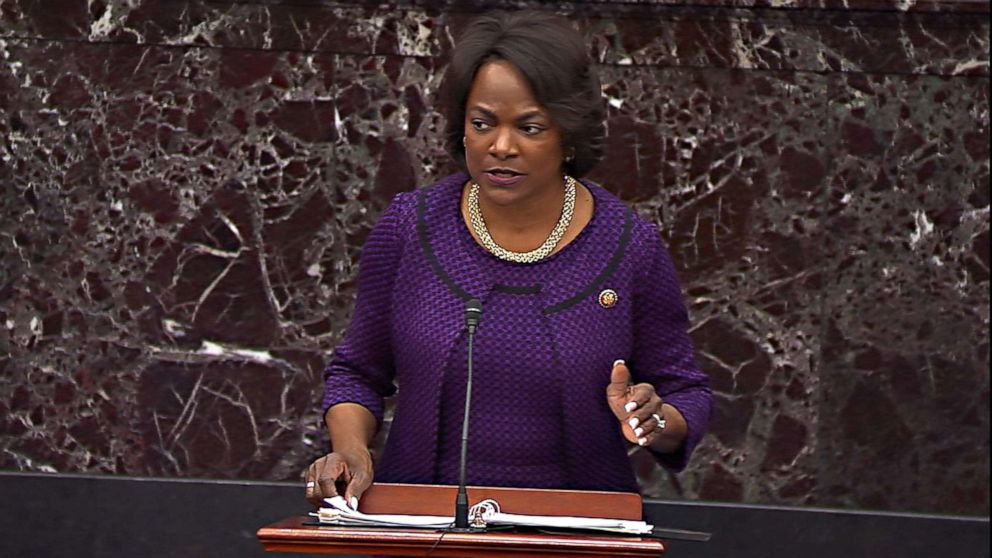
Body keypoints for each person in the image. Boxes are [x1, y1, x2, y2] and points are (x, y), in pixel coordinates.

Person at [304, 10, 711, 509]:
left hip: (578, 529)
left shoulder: (629, 247)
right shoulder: (411, 228)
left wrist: (655, 418)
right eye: (482, 124)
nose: (501, 146)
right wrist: (351, 451)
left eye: (529, 127)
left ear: (568, 134)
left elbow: (684, 392)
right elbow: (357, 372)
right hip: (421, 522)